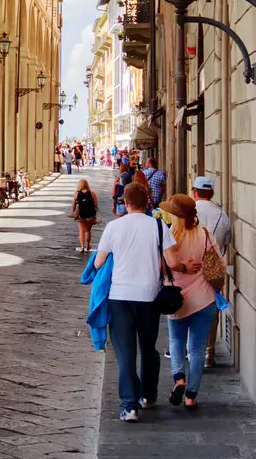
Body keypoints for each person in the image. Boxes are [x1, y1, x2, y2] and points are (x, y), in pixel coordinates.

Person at [93, 178, 171, 421]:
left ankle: (130, 405)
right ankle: (148, 395)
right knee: (149, 348)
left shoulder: (114, 228)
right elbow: (171, 261)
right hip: (149, 296)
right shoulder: (159, 227)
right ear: (147, 202)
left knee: (126, 353)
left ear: (125, 203)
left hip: (121, 296)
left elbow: (98, 262)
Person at [160, 194, 221, 410]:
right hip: (204, 299)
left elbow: (160, 265)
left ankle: (179, 379)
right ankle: (191, 396)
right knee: (196, 349)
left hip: (176, 299)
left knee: (176, 341)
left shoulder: (169, 237)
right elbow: (218, 263)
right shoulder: (205, 234)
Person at [192, 176, 234, 256]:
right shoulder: (223, 215)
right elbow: (225, 245)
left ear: (195, 193)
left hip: (192, 265)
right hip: (215, 265)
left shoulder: (186, 212)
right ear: (212, 194)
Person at [70, 175, 98, 254]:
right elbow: (96, 203)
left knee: (81, 231)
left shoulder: (77, 194)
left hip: (81, 214)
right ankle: (88, 245)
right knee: (88, 231)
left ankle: (82, 247)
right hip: (90, 214)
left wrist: (74, 212)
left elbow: (74, 204)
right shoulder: (92, 193)